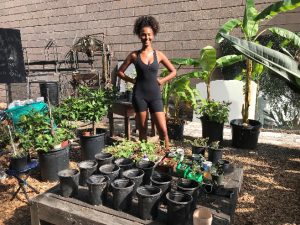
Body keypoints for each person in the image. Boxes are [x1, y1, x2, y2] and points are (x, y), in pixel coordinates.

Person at [117, 15, 176, 150]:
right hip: (139, 96)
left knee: (163, 131)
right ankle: (145, 157)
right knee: (142, 130)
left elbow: (173, 71)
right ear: (139, 35)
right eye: (143, 35)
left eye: (149, 35)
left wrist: (161, 80)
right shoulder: (134, 55)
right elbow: (120, 72)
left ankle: (166, 158)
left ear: (153, 34)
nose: (147, 38)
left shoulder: (159, 55)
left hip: (155, 96)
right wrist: (132, 80)